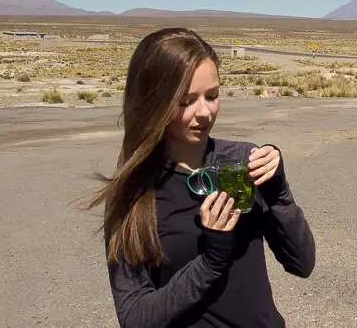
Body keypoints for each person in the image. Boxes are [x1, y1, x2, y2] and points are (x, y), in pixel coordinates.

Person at [85, 27, 316, 327]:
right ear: (153, 102)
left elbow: (302, 263)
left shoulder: (240, 162)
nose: (204, 112)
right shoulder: (134, 195)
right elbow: (134, 318)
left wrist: (279, 193)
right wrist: (210, 262)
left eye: (213, 95)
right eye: (185, 101)